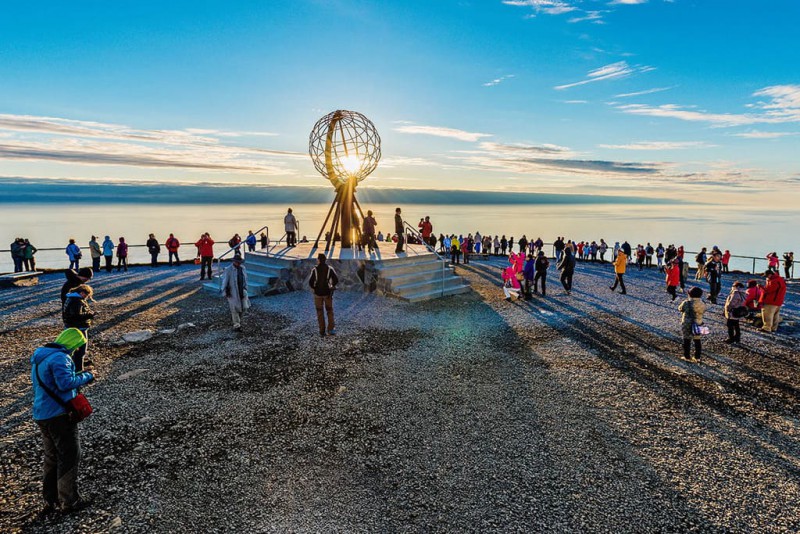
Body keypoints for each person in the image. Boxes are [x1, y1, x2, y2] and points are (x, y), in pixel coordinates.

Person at [30, 328, 96, 515]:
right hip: (58, 415)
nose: (76, 350)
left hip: (42, 413)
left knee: (51, 457)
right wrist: (87, 376)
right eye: (76, 346)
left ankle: (50, 500)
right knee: (69, 455)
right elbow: (65, 384)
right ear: (72, 343)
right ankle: (69, 501)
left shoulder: (40, 356)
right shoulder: (60, 357)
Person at [62, 284, 95, 372]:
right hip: (79, 328)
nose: (86, 298)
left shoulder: (70, 298)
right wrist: (90, 314)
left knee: (74, 349)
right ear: (82, 292)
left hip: (71, 327)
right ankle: (79, 370)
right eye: (86, 295)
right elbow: (77, 316)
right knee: (81, 350)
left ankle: (76, 366)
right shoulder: (76, 301)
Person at [309, 253, 338, 337]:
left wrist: (315, 288)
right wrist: (332, 286)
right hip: (327, 293)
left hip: (318, 294)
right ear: (325, 260)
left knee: (319, 312)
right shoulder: (330, 269)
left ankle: (322, 330)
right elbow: (336, 279)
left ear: (318, 260)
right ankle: (331, 329)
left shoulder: (315, 270)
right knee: (329, 311)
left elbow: (310, 282)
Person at [221, 254, 249, 331]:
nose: (238, 263)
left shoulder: (243, 268)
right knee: (234, 309)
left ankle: (238, 320)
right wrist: (225, 292)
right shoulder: (228, 270)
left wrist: (246, 288)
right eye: (237, 262)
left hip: (242, 290)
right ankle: (237, 325)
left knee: (244, 308)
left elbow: (245, 279)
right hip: (232, 291)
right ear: (234, 262)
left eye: (239, 262)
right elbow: (225, 281)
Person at [678, 287, 706, 362]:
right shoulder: (702, 303)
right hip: (698, 323)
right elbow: (703, 310)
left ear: (689, 294)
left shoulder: (686, 302)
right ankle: (697, 357)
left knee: (686, 340)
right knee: (697, 340)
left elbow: (680, 308)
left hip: (687, 323)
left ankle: (687, 356)